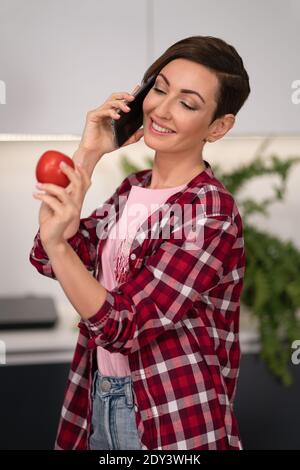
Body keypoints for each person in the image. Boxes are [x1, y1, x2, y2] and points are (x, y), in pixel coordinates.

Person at [30, 35, 250, 450]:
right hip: (99, 396)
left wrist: (60, 246)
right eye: (160, 88)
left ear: (218, 126)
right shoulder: (133, 190)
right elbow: (48, 255)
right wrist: (90, 152)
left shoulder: (211, 212)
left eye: (187, 103)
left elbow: (124, 324)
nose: (161, 110)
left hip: (171, 414)